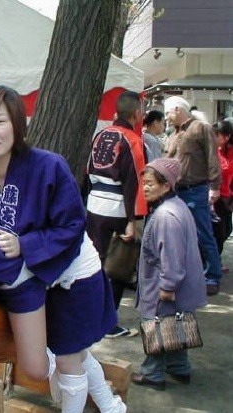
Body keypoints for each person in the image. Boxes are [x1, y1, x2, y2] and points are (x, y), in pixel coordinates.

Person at [0, 84, 123, 412]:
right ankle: (112, 406)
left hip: (72, 271)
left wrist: (24, 243)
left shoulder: (50, 166)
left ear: (17, 123)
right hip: (29, 275)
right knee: (72, 349)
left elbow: (72, 225)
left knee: (68, 356)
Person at [131, 158, 207, 390]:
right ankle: (179, 367)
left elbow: (171, 257)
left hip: (166, 283)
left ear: (166, 185)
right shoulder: (177, 205)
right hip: (180, 284)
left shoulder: (165, 216)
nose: (145, 188)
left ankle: (152, 374)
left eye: (151, 184)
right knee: (175, 322)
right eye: (144, 183)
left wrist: (167, 286)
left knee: (157, 324)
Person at [85, 90, 147, 338]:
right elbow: (134, 182)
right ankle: (108, 322)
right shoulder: (132, 140)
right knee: (119, 267)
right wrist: (133, 220)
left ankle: (91, 315)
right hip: (117, 208)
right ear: (136, 114)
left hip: (94, 205)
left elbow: (88, 170)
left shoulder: (102, 135)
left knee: (96, 262)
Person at [164, 96, 222, 296]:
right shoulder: (174, 133)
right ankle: (188, 275)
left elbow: (212, 158)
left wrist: (214, 187)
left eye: (168, 112)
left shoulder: (201, 128)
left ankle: (212, 276)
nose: (167, 117)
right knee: (181, 236)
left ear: (177, 109)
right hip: (177, 191)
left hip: (196, 190)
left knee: (203, 235)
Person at [211, 120, 233, 261]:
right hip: (214, 196)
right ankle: (214, 261)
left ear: (227, 136)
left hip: (227, 197)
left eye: (216, 135)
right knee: (218, 232)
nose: (213, 137)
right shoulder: (213, 150)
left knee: (227, 229)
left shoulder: (229, 151)